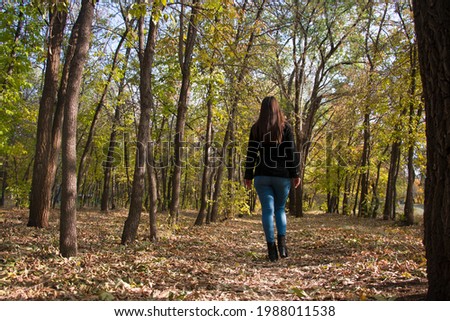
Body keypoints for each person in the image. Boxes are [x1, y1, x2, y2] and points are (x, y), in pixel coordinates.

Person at [244, 96, 301, 262]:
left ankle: (271, 250)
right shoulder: (285, 128)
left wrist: (248, 175)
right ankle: (282, 247)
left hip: (261, 176)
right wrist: (295, 173)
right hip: (282, 177)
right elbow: (291, 152)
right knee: (279, 209)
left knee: (267, 211)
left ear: (262, 110)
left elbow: (251, 154)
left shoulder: (256, 128)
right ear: (277, 109)